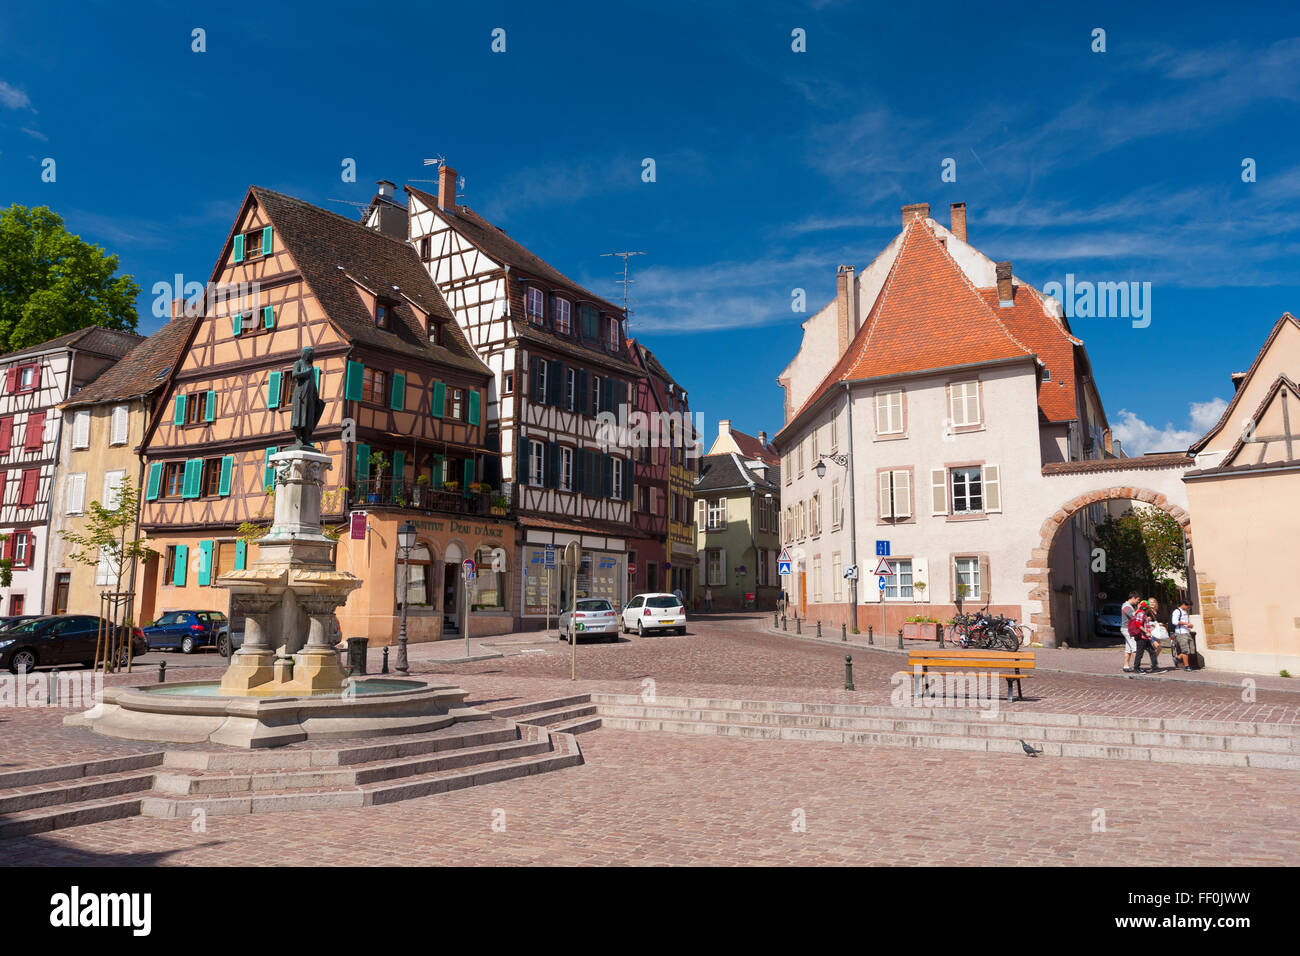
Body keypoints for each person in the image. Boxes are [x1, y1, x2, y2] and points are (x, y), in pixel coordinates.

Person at [1132, 600, 1160, 674]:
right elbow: (1138, 624)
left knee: (1152, 651)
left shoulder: (1143, 614)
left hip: (1146, 637)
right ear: (1146, 608)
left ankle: (1154, 667)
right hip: (1141, 637)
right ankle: (1136, 668)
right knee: (1140, 653)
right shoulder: (1140, 614)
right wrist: (1146, 632)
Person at [1171, 599, 1196, 670]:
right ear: (1184, 605)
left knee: (1191, 649)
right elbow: (1174, 622)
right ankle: (1187, 666)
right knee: (1185, 650)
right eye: (1188, 607)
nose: (1189, 608)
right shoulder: (1177, 611)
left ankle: (1177, 658)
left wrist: (1188, 626)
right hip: (1180, 633)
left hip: (1187, 632)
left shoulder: (1185, 612)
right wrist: (1186, 624)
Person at [1120, 591, 1141, 673]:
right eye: (1137, 600)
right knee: (1135, 647)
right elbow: (1133, 616)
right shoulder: (1126, 606)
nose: (1138, 601)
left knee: (1128, 648)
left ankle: (1126, 666)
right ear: (1133, 598)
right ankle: (1137, 667)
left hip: (1127, 629)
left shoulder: (1129, 606)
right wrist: (1138, 609)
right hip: (1127, 629)